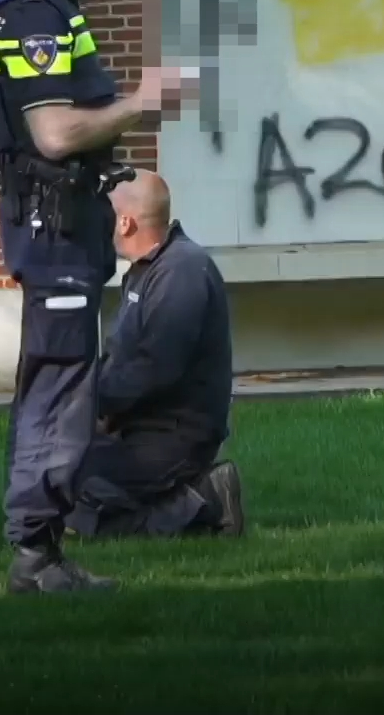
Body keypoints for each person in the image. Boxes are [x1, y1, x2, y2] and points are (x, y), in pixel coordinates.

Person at [0, 0, 187, 594]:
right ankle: (36, 553)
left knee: (52, 385)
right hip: (56, 226)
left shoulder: (29, 4)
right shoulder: (34, 14)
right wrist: (141, 103)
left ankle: (42, 549)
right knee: (61, 394)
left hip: (59, 225)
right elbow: (56, 134)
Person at [67, 170, 246, 541]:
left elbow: (156, 368)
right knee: (51, 474)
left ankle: (204, 503)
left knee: (68, 499)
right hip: (137, 425)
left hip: (173, 435)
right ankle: (182, 495)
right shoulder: (146, 270)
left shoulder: (181, 272)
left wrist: (89, 399)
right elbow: (123, 359)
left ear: (125, 222)